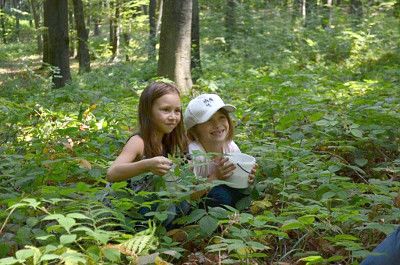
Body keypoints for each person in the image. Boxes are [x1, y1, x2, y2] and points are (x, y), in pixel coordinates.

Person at [106, 81, 189, 227]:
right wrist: (146, 165)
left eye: (177, 111)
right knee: (167, 209)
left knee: (184, 204)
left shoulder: (169, 140)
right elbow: (112, 173)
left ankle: (167, 235)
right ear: (148, 111)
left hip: (150, 198)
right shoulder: (138, 141)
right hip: (126, 205)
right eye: (165, 110)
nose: (173, 116)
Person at [184, 94, 255, 208]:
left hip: (226, 190)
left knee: (246, 192)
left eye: (221, 117)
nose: (217, 124)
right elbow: (188, 196)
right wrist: (215, 176)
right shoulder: (193, 154)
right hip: (199, 202)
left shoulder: (231, 147)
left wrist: (246, 177)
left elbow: (235, 180)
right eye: (208, 120)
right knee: (219, 196)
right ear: (194, 130)